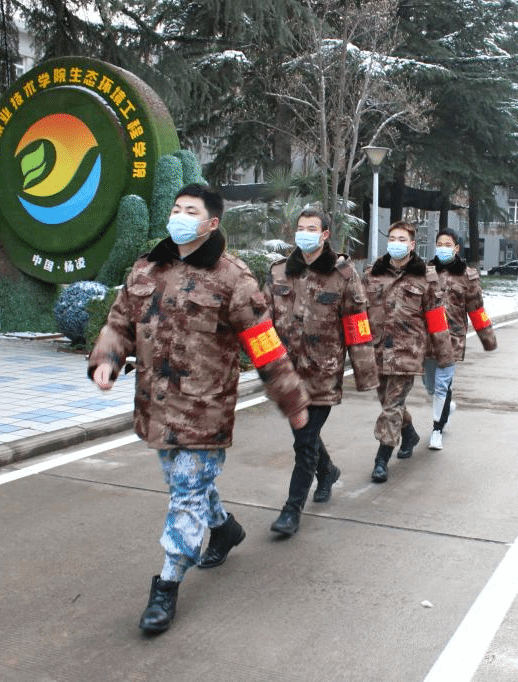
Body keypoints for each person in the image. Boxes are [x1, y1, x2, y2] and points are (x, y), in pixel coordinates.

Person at [88, 183, 309, 635]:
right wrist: (107, 358)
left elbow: (264, 345)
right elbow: (119, 321)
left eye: (191, 211)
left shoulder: (234, 279)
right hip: (156, 406)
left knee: (186, 494)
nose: (180, 217)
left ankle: (167, 584)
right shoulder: (148, 267)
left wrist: (291, 399)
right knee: (184, 484)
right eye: (176, 208)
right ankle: (224, 529)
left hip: (205, 409)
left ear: (211, 224)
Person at [264, 208, 379, 536]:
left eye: (311, 228)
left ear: (325, 234)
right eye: (300, 227)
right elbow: (262, 321)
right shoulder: (279, 272)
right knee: (306, 436)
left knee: (304, 442)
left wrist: (365, 374)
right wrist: (264, 366)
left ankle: (291, 510)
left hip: (323, 373)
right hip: (288, 374)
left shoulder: (343, 275)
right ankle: (327, 471)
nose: (304, 233)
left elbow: (357, 325)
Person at [362, 221, 454, 482]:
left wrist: (444, 355)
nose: (396, 243)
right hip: (378, 351)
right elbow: (359, 313)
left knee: (391, 407)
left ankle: (381, 459)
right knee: (389, 402)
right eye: (392, 238)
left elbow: (436, 318)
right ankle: (409, 434)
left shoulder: (426, 277)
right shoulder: (372, 274)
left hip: (408, 352)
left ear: (412, 245)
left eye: (402, 239)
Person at [422, 228, 497, 450]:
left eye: (447, 245)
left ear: (456, 248)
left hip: (452, 340)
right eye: (439, 244)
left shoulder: (467, 276)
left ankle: (437, 430)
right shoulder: (425, 272)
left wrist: (488, 338)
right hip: (427, 339)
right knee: (430, 386)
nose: (443, 248)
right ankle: (447, 406)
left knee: (441, 385)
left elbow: (477, 309)